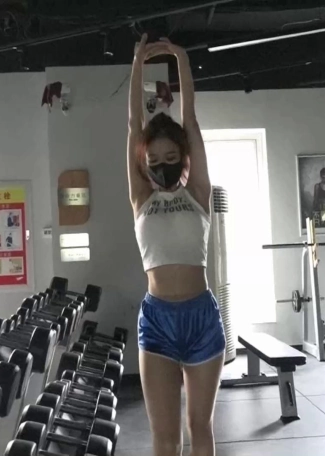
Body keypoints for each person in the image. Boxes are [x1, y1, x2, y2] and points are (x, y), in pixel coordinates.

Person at [127, 34, 225, 456]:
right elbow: (134, 126)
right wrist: (137, 63)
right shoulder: (141, 198)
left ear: (183, 160)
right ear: (145, 163)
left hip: (201, 316)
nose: (162, 166)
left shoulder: (197, 193)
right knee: (165, 438)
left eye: (171, 159)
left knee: (199, 427)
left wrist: (181, 57)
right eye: (155, 161)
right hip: (158, 320)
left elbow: (191, 122)